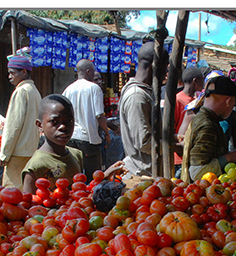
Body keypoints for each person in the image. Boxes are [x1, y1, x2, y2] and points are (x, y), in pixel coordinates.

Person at [21, 95, 124, 194]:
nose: (63, 127)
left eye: (69, 121)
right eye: (54, 121)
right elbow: (29, 206)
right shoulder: (35, 167)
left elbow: (80, 192)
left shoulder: (76, 154)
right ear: (40, 125)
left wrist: (104, 176)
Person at [180, 75, 236, 182]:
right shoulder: (208, 125)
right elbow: (197, 172)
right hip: (203, 193)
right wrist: (229, 157)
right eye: (233, 104)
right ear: (228, 101)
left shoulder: (200, 117)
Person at [0, 53, 42, 190]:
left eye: (12, 73)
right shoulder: (34, 91)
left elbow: (13, 126)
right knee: (26, 190)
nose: (9, 76)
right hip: (30, 150)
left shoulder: (21, 92)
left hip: (17, 152)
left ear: (23, 72)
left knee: (13, 193)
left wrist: (5, 153)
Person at [63, 59, 111, 179]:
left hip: (72, 138)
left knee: (74, 177)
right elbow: (99, 115)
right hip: (89, 139)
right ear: (88, 71)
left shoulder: (68, 89)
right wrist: (107, 132)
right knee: (94, 178)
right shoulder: (94, 88)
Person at [118, 41, 156, 178]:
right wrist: (171, 144)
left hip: (146, 172)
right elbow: (143, 142)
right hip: (141, 174)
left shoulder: (143, 92)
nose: (165, 73)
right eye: (164, 68)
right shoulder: (137, 96)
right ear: (154, 66)